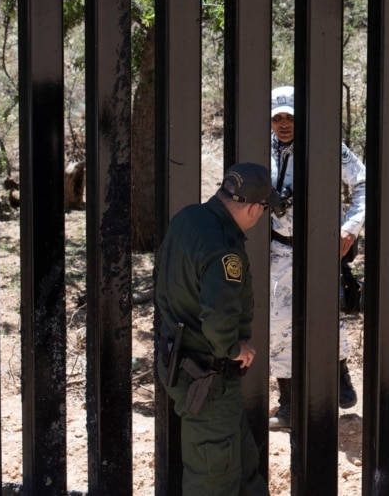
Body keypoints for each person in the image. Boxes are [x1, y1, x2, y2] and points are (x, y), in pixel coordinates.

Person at [155, 162, 282, 496]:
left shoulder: (188, 218)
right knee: (213, 478)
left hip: (185, 364)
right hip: (208, 378)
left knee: (242, 468)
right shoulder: (225, 249)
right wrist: (233, 348)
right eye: (265, 208)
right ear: (255, 208)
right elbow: (219, 315)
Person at [266, 85, 367, 431]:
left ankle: (340, 379)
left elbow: (365, 183)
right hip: (277, 246)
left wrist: (350, 227)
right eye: (277, 117)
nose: (283, 124)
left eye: (290, 117)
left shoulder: (328, 149)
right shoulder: (260, 148)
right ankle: (289, 405)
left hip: (321, 246)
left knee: (326, 315)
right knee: (277, 324)